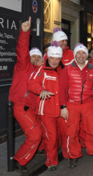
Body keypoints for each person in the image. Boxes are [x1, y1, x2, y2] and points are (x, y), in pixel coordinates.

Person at [59, 43, 93, 168]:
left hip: (88, 104)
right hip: (72, 104)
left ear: (86, 55)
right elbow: (61, 90)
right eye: (78, 53)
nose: (81, 55)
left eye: (83, 53)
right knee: (72, 131)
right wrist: (63, 107)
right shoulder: (67, 69)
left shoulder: (92, 68)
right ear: (75, 55)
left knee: (91, 128)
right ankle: (73, 155)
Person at [9, 17, 43, 172]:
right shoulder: (24, 66)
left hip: (32, 108)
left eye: (39, 56)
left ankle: (38, 149)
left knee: (39, 131)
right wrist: (25, 32)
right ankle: (18, 160)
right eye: (34, 56)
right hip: (21, 105)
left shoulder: (39, 72)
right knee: (35, 135)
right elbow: (22, 50)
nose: (36, 58)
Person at [28, 41, 64, 171]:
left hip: (61, 109)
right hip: (46, 110)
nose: (54, 61)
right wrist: (41, 90)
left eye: (57, 58)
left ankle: (65, 154)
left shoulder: (63, 69)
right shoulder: (41, 69)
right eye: (52, 58)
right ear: (48, 57)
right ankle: (51, 162)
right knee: (51, 137)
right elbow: (31, 83)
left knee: (61, 134)